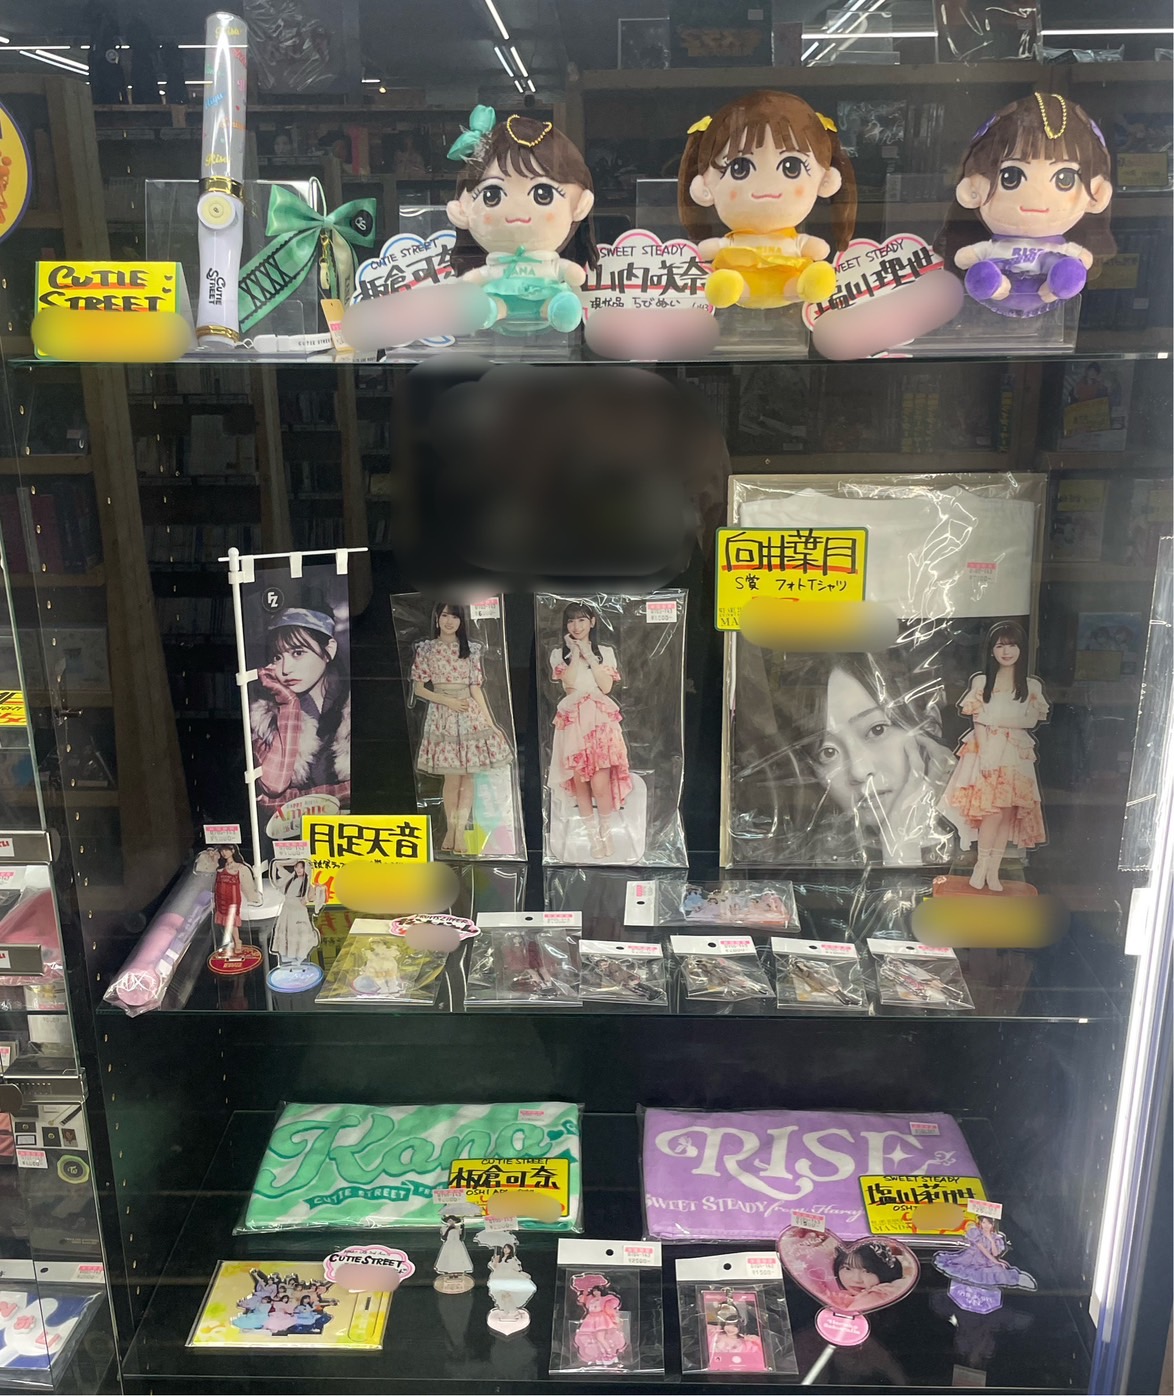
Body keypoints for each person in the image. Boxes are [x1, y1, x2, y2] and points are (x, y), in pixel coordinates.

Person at [733, 646, 955, 866]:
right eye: (828, 752)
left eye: (877, 730)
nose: (859, 772)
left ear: (930, 726)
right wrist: (901, 846)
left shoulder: (971, 841)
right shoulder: (820, 862)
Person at [935, 93, 1114, 318]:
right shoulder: (991, 246)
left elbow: (1083, 259)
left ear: (1097, 194)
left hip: (1046, 294)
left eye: (1065, 179)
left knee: (1069, 271)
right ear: (971, 190)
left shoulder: (1062, 249)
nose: (1038, 198)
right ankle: (994, 285)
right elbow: (964, 258)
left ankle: (1055, 286)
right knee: (983, 275)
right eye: (1011, 176)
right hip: (996, 294)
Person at [677, 90, 857, 309]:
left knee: (800, 283)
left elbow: (818, 249)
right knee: (732, 283)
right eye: (740, 168)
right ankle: (730, 288)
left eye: (791, 167)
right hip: (742, 282)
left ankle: (805, 286)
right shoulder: (732, 242)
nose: (767, 186)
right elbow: (707, 249)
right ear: (704, 188)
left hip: (788, 283)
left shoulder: (796, 242)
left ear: (825, 181)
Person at [446, 106, 598, 333]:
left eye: (543, 194)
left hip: (546, 298)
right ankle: (490, 309)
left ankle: (557, 309)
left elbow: (572, 273)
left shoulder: (550, 263)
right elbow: (478, 278)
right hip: (499, 302)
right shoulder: (495, 265)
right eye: (492, 195)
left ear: (579, 205)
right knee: (486, 304)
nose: (517, 211)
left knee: (561, 303)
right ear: (461, 211)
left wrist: (572, 273)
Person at [939, 620, 1048, 891]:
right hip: (986, 751)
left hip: (1017, 754)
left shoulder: (1031, 686)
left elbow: (1030, 720)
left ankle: (993, 871)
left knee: (1007, 814)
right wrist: (987, 752)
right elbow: (978, 720)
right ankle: (981, 866)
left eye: (1012, 645)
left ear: (1021, 649)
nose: (1006, 651)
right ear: (992, 650)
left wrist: (995, 719)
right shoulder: (982, 682)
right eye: (1000, 646)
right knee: (992, 813)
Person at [411, 603, 513, 855]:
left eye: (454, 616)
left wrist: (490, 723)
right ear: (437, 618)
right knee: (452, 777)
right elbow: (419, 689)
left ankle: (457, 833)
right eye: (445, 615)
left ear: (461, 621)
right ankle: (452, 829)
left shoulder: (471, 649)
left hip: (469, 714)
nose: (449, 621)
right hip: (443, 714)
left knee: (468, 777)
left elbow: (476, 688)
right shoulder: (427, 649)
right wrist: (447, 701)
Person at [549, 602, 632, 860]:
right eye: (571, 621)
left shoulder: (605, 652)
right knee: (580, 783)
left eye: (582, 620)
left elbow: (606, 686)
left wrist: (587, 651)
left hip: (599, 719)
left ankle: (607, 833)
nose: (576, 626)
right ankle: (593, 837)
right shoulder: (558, 654)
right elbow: (570, 683)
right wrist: (575, 652)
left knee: (600, 783)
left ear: (592, 622)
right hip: (573, 720)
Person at [251, 606, 350, 817]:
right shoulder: (264, 714)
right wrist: (288, 704)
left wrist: (300, 801)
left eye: (298, 653)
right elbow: (273, 789)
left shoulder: (351, 703)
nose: (285, 669)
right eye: (277, 657)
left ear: (329, 650)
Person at [932, 1215, 1037, 1291]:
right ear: (980, 1223)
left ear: (993, 1224)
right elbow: (982, 1249)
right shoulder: (976, 1233)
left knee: (999, 1271)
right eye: (984, 1222)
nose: (986, 1225)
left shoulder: (997, 1238)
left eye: (989, 1223)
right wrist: (996, 1262)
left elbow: (995, 1253)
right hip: (972, 1258)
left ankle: (1019, 1280)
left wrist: (991, 1240)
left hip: (988, 1260)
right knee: (965, 1269)